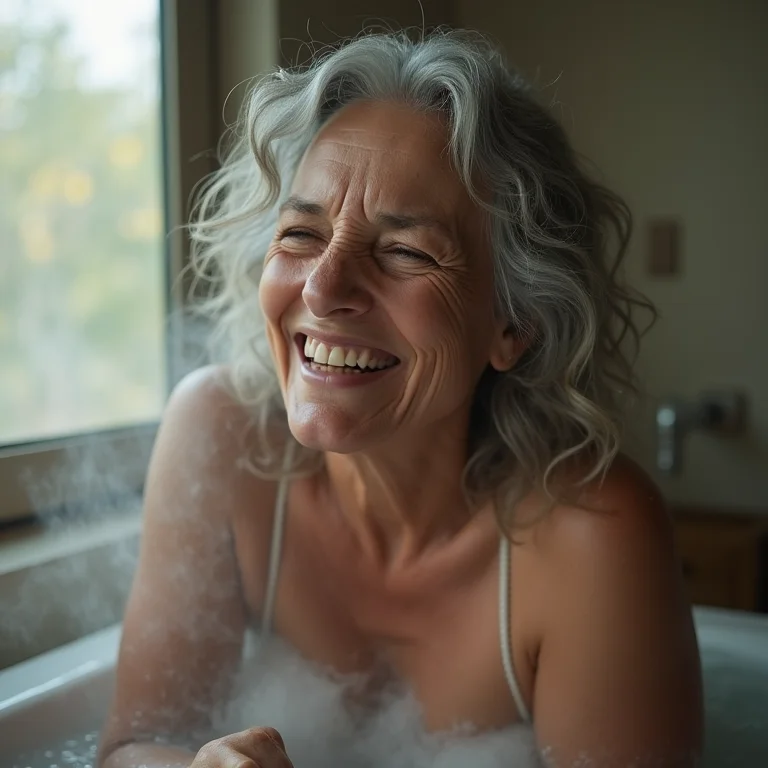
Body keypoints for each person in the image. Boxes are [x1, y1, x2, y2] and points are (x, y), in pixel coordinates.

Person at [98, 28, 702, 768]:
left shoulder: (591, 534)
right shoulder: (220, 436)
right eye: (300, 233)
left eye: (406, 251)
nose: (322, 288)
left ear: (514, 323)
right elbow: (131, 746)